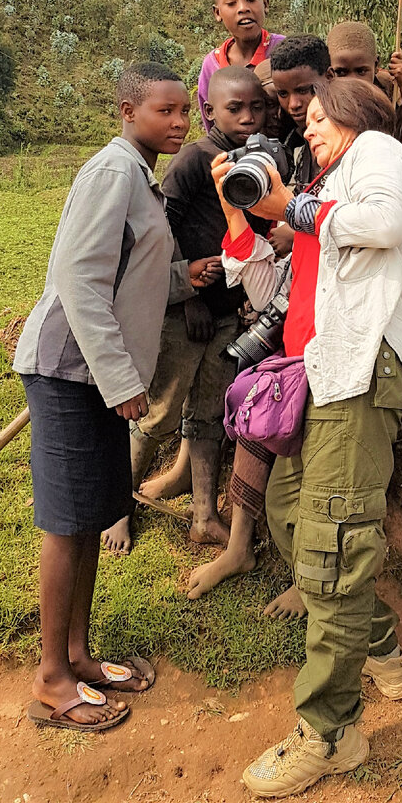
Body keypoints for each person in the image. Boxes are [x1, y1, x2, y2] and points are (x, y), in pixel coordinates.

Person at [213, 77, 402, 798]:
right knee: (296, 521)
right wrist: (247, 207)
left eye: (321, 121)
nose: (310, 134)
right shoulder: (331, 186)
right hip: (316, 376)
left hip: (360, 377)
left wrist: (292, 205)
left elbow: (389, 223)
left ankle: (330, 736)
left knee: (333, 547)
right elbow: (257, 272)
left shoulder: (378, 152)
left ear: (356, 120)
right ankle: (383, 643)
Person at [13, 63, 204, 731]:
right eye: (165, 111)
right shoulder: (113, 172)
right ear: (127, 110)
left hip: (95, 373)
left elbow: (136, 276)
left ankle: (78, 657)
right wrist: (122, 380)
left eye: (186, 111)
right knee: (67, 524)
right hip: (71, 369)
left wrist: (185, 277)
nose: (180, 123)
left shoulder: (139, 176)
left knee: (93, 514)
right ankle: (50, 681)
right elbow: (78, 278)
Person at [101, 67, 270, 555]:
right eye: (234, 108)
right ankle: (118, 507)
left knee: (207, 415)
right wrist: (190, 295)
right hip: (185, 310)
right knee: (158, 414)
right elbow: (165, 226)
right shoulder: (196, 160)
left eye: (256, 107)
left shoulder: (256, 160)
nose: (247, 116)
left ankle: (204, 517)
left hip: (227, 314)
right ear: (210, 111)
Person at [196, 0, 285, 130]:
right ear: (218, 13)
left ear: (265, 4)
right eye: (231, 3)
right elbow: (211, 123)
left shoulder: (283, 49)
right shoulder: (212, 65)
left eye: (251, 0)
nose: (243, 8)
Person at [326, 20, 402, 152]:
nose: (354, 81)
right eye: (341, 72)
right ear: (329, 72)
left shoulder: (388, 94)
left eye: (361, 71)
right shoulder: (324, 103)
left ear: (376, 65)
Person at [269, 33, 332, 192]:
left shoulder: (353, 137)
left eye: (303, 90)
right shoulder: (291, 142)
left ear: (330, 77)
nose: (293, 104)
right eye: (283, 94)